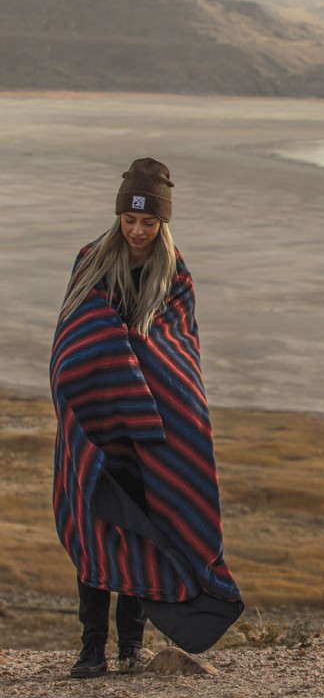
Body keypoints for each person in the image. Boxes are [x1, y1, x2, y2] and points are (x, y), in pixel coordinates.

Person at [51, 158, 243, 679]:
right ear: (119, 216)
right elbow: (74, 336)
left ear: (163, 222)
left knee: (144, 533)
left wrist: (130, 357)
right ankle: (92, 648)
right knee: (95, 532)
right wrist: (112, 355)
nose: (137, 230)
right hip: (94, 425)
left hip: (150, 427)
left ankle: (131, 648)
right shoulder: (90, 261)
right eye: (130, 220)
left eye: (149, 222)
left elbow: (178, 350)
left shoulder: (174, 273)